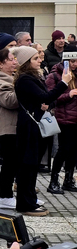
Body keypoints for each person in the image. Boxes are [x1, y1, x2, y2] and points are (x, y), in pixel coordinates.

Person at [15, 45, 71, 216]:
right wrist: (63, 83)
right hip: (29, 125)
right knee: (27, 165)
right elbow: (45, 96)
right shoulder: (25, 79)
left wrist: (48, 101)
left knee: (33, 165)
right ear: (26, 62)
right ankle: (25, 204)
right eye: (35, 59)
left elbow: (47, 98)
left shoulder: (34, 77)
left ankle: (30, 200)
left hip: (36, 123)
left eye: (39, 58)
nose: (40, 60)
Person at [0, 48, 21, 209]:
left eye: (15, 58)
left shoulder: (13, 78)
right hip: (7, 127)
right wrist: (23, 87)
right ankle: (5, 195)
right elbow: (9, 101)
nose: (14, 62)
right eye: (10, 59)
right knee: (10, 162)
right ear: (0, 64)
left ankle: (17, 195)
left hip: (17, 126)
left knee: (15, 162)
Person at [46, 59, 77, 195]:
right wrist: (68, 95)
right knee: (63, 150)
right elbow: (50, 97)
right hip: (64, 118)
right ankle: (54, 181)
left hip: (76, 118)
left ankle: (69, 180)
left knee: (74, 151)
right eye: (72, 61)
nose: (75, 64)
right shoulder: (56, 75)